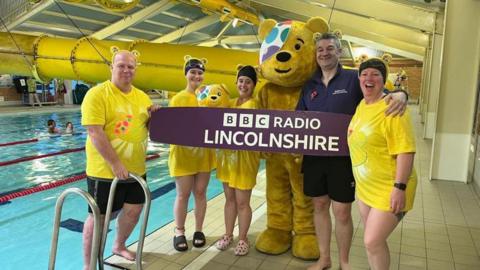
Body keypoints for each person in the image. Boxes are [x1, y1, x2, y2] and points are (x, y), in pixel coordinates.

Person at [296, 32, 407, 270]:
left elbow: (378, 95)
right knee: (319, 207)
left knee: (342, 213)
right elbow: (299, 119)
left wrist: (401, 94)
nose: (324, 53)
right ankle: (324, 259)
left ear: (340, 52)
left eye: (329, 48)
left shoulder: (352, 78)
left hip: (343, 159)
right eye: (320, 50)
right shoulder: (309, 84)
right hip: (315, 156)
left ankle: (344, 263)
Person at [81, 49, 159, 270]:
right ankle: (88, 266)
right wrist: (115, 164)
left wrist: (156, 118)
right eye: (121, 65)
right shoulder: (97, 94)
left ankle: (119, 245)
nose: (126, 70)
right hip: (104, 172)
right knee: (99, 218)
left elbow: (147, 131)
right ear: (111, 67)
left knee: (134, 211)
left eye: (130, 66)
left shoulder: (142, 97)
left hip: (136, 169)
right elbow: (95, 132)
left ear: (135, 69)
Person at [348, 58, 417, 270]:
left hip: (390, 186)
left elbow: (405, 151)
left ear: (384, 80)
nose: (369, 78)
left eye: (375, 74)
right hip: (367, 187)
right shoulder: (362, 105)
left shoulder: (392, 108)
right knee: (375, 243)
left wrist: (399, 187)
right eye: (365, 73)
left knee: (372, 240)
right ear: (359, 78)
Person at [168, 56, 215, 252]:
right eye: (193, 72)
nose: (196, 75)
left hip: (203, 154)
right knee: (183, 194)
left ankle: (198, 230)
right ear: (186, 74)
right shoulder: (178, 98)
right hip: (183, 156)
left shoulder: (208, 97)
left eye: (200, 72)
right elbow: (171, 127)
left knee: (201, 193)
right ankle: (179, 232)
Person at [215, 65, 260, 256]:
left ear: (254, 85)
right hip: (227, 160)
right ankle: (228, 234)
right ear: (236, 82)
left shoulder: (254, 105)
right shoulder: (230, 102)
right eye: (241, 81)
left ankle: (243, 238)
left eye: (248, 82)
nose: (244, 84)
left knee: (243, 202)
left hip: (245, 161)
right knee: (229, 200)